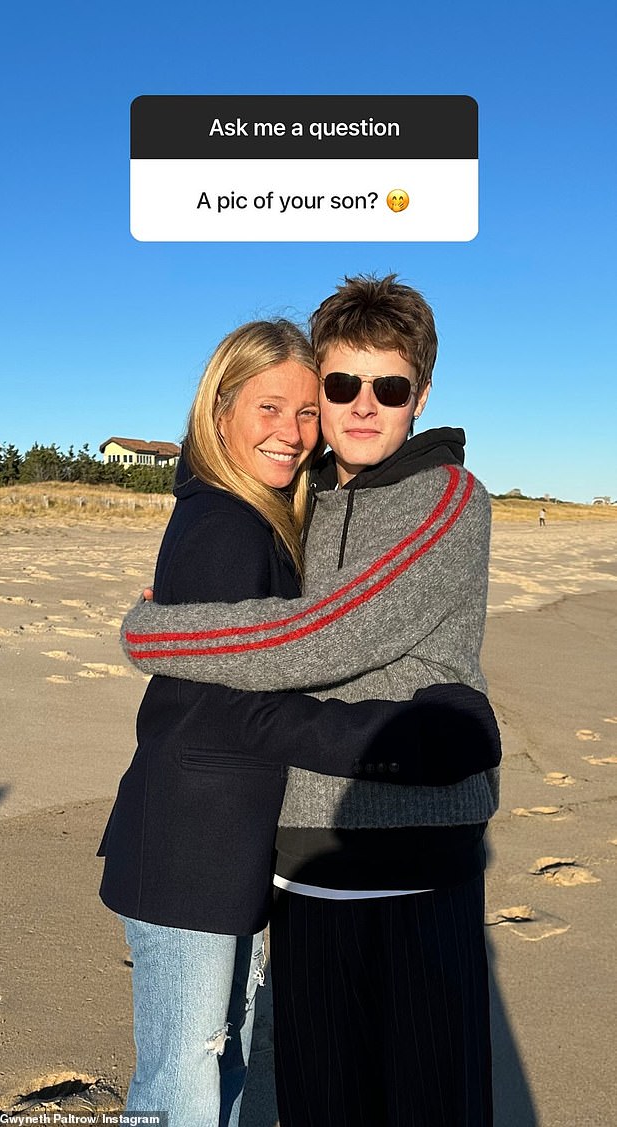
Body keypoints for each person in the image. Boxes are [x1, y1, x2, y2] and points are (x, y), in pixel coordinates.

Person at [99, 315, 500, 1127]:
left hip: (412, 858)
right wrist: (160, 628)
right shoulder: (277, 505)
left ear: (419, 394)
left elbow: (320, 635)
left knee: (421, 1095)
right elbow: (292, 638)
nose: (357, 408)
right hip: (287, 863)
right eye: (339, 386)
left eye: (386, 388)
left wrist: (158, 631)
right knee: (287, 1088)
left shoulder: (443, 496)